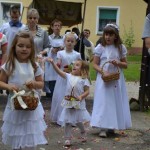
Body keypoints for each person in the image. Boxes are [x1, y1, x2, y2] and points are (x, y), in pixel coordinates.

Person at [0, 31, 47, 149]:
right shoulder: (9, 65)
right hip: (15, 106)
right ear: (14, 46)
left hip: (31, 105)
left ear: (32, 49)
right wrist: (8, 86)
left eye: (28, 46)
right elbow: (0, 82)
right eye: (20, 46)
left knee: (29, 135)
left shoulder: (34, 65)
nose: (24, 49)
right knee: (16, 135)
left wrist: (34, 83)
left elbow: (41, 84)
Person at [90, 23, 132, 137]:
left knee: (113, 101)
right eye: (106, 34)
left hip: (116, 79)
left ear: (116, 36)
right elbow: (94, 64)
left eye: (110, 34)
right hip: (103, 78)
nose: (107, 37)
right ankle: (102, 127)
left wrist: (118, 62)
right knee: (103, 101)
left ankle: (112, 126)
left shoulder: (120, 48)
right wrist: (103, 71)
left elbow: (125, 65)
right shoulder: (100, 47)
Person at [47, 58, 91, 146]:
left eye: (77, 65)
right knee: (67, 121)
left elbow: (87, 91)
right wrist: (53, 63)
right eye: (74, 64)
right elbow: (59, 72)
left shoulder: (84, 80)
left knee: (78, 121)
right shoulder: (68, 76)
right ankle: (67, 138)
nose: (74, 66)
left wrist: (81, 96)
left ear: (83, 70)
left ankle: (83, 131)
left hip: (78, 103)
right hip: (68, 102)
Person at [49, 33, 81, 125]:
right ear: (64, 42)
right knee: (61, 96)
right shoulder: (60, 53)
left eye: (72, 41)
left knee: (71, 96)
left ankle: (71, 118)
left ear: (75, 43)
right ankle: (61, 117)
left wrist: (75, 69)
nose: (70, 43)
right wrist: (58, 64)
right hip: (62, 77)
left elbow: (79, 65)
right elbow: (59, 63)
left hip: (73, 78)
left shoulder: (77, 54)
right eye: (68, 41)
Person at [43, 19, 64, 98]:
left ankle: (58, 95)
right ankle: (50, 94)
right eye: (55, 25)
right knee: (51, 78)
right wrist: (52, 49)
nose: (57, 27)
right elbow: (46, 47)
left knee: (59, 77)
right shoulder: (48, 38)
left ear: (61, 27)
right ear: (52, 27)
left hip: (60, 60)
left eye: (59, 26)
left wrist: (62, 48)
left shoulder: (63, 38)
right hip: (51, 60)